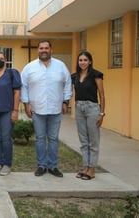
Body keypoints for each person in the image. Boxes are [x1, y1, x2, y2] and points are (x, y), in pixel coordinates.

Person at [21, 40, 72, 178]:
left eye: (46, 48)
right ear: (38, 50)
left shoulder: (61, 66)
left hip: (56, 109)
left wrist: (65, 102)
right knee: (40, 138)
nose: (44, 50)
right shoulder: (29, 67)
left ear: (51, 49)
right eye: (41, 48)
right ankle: (42, 165)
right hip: (37, 109)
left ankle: (53, 166)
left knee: (54, 138)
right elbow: (23, 86)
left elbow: (68, 84)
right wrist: (26, 104)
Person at [71, 51, 105, 180]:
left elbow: (102, 95)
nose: (83, 62)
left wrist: (101, 113)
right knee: (83, 140)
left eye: (85, 60)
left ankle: (92, 169)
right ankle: (85, 166)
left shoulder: (96, 75)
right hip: (79, 108)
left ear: (90, 61)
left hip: (92, 109)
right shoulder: (74, 76)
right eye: (80, 60)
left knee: (93, 141)